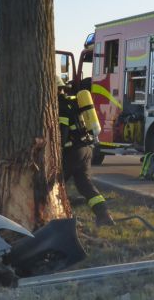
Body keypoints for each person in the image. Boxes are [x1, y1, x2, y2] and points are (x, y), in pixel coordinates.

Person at [58, 79, 115, 226]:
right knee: (85, 185)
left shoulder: (61, 105)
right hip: (86, 149)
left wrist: (57, 147)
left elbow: (62, 133)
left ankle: (58, 219)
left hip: (72, 151)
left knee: (53, 184)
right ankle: (104, 215)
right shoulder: (74, 101)